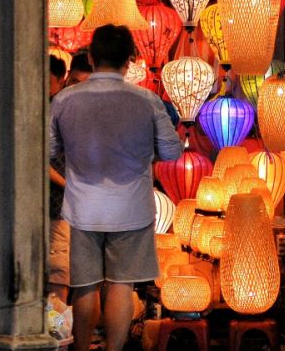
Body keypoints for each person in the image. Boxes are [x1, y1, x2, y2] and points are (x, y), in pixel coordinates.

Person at [50, 25, 184, 351]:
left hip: (83, 206)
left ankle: (80, 348)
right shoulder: (147, 101)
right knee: (121, 284)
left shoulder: (66, 99)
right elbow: (171, 151)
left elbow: (49, 149)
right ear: (130, 61)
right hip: (131, 208)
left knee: (84, 286)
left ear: (92, 58)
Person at [47, 55, 70, 304]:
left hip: (59, 207)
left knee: (57, 272)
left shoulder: (59, 109)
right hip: (55, 205)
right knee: (56, 270)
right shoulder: (51, 109)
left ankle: (56, 335)